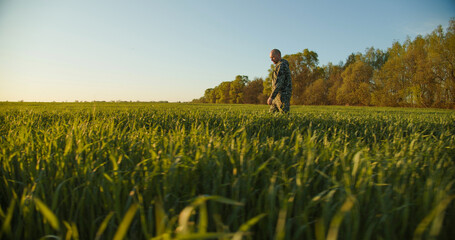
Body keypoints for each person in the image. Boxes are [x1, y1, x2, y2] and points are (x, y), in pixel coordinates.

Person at [267, 49, 292, 113]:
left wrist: (271, 97)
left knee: (284, 115)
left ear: (278, 55)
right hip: (277, 96)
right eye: (270, 58)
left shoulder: (282, 66)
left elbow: (278, 83)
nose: (271, 60)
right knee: (271, 116)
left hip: (283, 96)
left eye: (273, 57)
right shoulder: (279, 66)